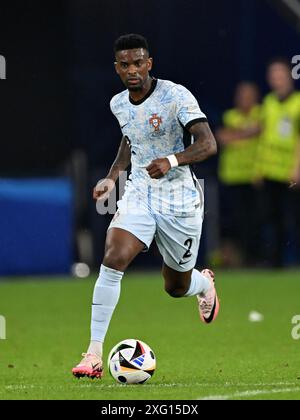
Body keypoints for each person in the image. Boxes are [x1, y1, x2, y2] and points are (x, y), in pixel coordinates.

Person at [72, 34, 219, 379]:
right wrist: (112, 177)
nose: (132, 70)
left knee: (175, 287)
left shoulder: (176, 95)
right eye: (125, 65)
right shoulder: (118, 103)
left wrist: (172, 159)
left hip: (180, 200)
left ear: (149, 63)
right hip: (140, 193)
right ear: (117, 69)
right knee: (114, 256)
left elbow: (208, 143)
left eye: (138, 63)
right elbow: (130, 139)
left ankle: (204, 284)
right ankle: (93, 352)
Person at [256, 58, 300, 267]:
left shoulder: (298, 102)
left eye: (280, 75)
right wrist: (258, 167)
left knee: (292, 218)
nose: (276, 79)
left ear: (289, 76)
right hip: (269, 170)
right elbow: (264, 136)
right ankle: (275, 262)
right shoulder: (269, 102)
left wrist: (296, 168)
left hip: (290, 171)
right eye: (273, 75)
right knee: (270, 219)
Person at [216, 82, 261, 266]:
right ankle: (234, 258)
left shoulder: (262, 113)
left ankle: (255, 258)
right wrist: (250, 132)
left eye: (249, 95)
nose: (245, 99)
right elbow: (222, 137)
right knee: (233, 221)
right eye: (242, 95)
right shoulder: (229, 116)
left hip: (254, 176)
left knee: (255, 221)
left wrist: (236, 135)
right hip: (232, 177)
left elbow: (265, 133)